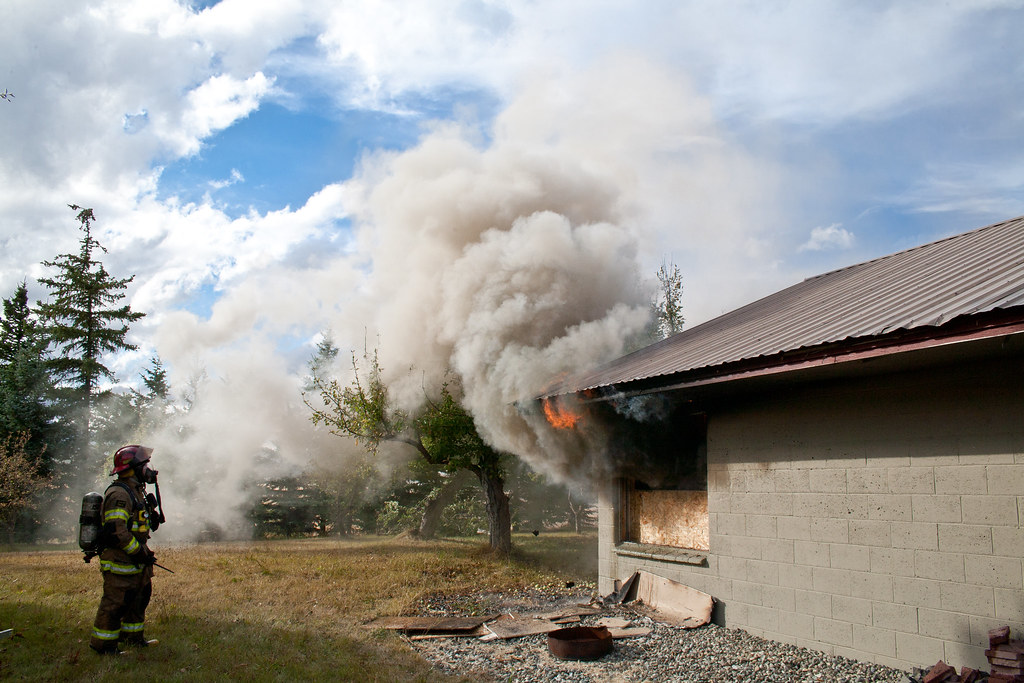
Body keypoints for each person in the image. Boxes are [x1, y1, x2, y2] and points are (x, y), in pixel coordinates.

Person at [89, 444, 161, 654]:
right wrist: (139, 552)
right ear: (132, 468)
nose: (149, 469)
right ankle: (103, 647)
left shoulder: (136, 491)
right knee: (115, 603)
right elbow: (118, 532)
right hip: (121, 560)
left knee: (139, 598)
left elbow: (137, 524)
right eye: (145, 465)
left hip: (136, 560)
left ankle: (133, 638)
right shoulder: (119, 494)